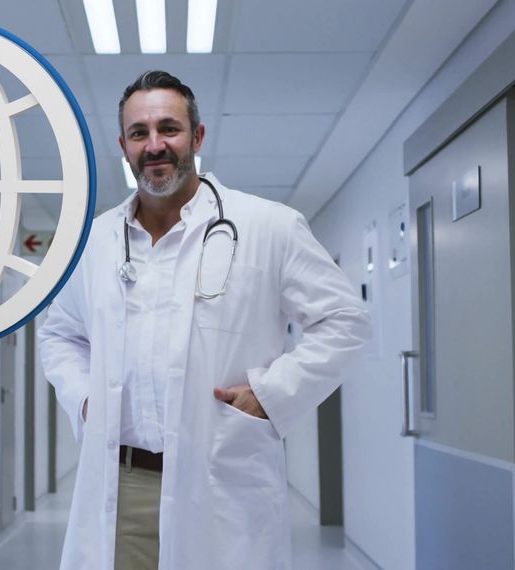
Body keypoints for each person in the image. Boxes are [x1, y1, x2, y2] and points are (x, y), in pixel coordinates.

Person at [38, 70, 370, 570]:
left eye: (168, 128)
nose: (154, 145)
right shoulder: (93, 240)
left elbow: (346, 320)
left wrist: (272, 394)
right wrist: (85, 397)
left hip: (222, 480)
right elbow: (60, 333)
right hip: (120, 482)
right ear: (123, 146)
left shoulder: (267, 226)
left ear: (197, 136)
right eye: (139, 133)